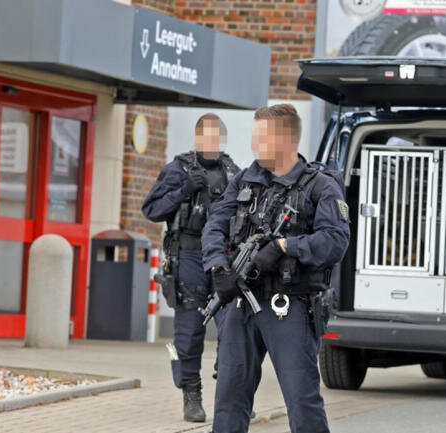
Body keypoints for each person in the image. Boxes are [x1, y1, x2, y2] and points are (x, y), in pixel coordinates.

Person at [202, 103, 350, 433]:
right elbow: (214, 225)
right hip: (241, 304)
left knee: (302, 402)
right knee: (229, 401)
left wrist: (284, 246)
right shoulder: (245, 179)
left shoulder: (320, 186)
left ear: (285, 140)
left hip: (290, 306)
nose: (254, 145)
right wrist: (217, 268)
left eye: (261, 137)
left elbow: (335, 241)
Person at [142, 113, 239, 423]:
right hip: (189, 258)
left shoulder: (233, 172)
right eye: (205, 138)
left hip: (223, 258)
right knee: (190, 332)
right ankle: (191, 395)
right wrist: (182, 190)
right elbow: (152, 210)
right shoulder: (177, 170)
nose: (210, 144)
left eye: (216, 138)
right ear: (197, 139)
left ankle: (229, 391)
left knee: (233, 327)